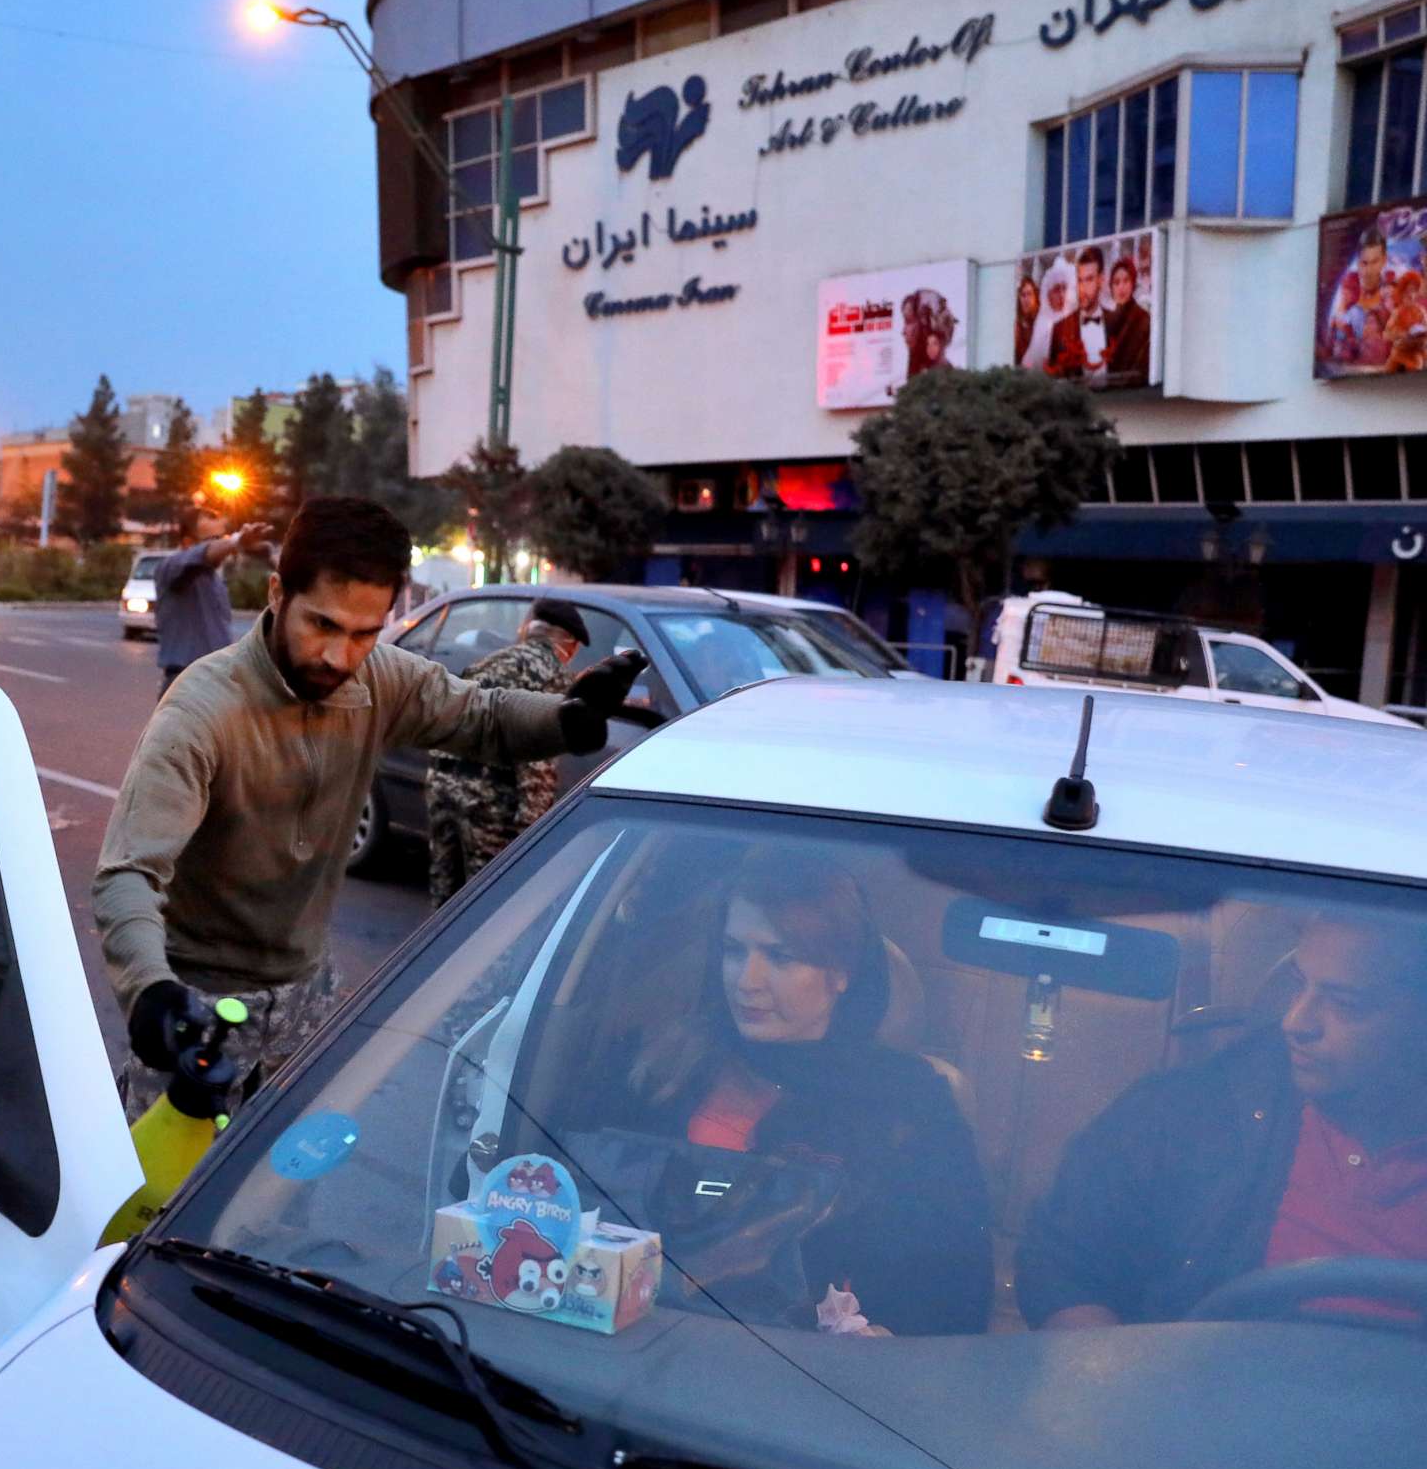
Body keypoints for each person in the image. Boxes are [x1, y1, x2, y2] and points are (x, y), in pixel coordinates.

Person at [95, 496, 645, 1119]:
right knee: (165, 1204)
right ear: (278, 592)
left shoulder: (377, 677)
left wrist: (570, 717)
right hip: (199, 1006)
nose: (340, 657)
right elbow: (128, 874)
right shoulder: (201, 710)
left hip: (307, 999)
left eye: (364, 634)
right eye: (323, 626)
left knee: (284, 1200)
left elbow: (480, 715)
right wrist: (149, 992)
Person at [1018, 914, 1427, 1394]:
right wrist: (1118, 1398)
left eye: (1346, 1003)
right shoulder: (1188, 1114)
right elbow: (1062, 1262)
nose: (1295, 1022)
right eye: (1299, 984)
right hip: (1198, 1450)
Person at [607, 851, 993, 1336]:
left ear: (841, 973)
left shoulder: (909, 1108)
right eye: (733, 951)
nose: (746, 981)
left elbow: (954, 1293)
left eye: (780, 956)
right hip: (636, 1352)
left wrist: (887, 1340)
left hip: (809, 1386)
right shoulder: (665, 1070)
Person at [424, 599, 590, 903]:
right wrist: (530, 838)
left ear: (529, 631)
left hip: (441, 787)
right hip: (486, 800)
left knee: (444, 902)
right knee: (485, 904)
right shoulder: (551, 675)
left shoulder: (488, 662)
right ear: (570, 644)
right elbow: (537, 763)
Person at [154, 503, 272, 696]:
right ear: (187, 543)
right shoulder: (170, 568)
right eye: (212, 540)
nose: (221, 545)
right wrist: (235, 541)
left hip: (217, 681)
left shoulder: (214, 579)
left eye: (222, 537)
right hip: (186, 683)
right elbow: (200, 555)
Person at [1045, 245, 1111, 384]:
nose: (1082, 289)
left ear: (1101, 280)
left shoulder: (1118, 322)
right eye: (1079, 280)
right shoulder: (1059, 329)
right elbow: (1052, 381)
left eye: (1089, 280)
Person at [1101, 254, 1152, 385]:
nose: (1121, 287)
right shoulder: (1107, 320)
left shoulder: (1143, 319)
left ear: (1133, 283)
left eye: (1126, 281)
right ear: (1111, 287)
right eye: (1116, 282)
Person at [1012, 275, 1043, 368]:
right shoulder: (1017, 324)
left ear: (1035, 296)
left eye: (1029, 294)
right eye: (1023, 295)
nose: (1026, 299)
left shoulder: (1042, 321)